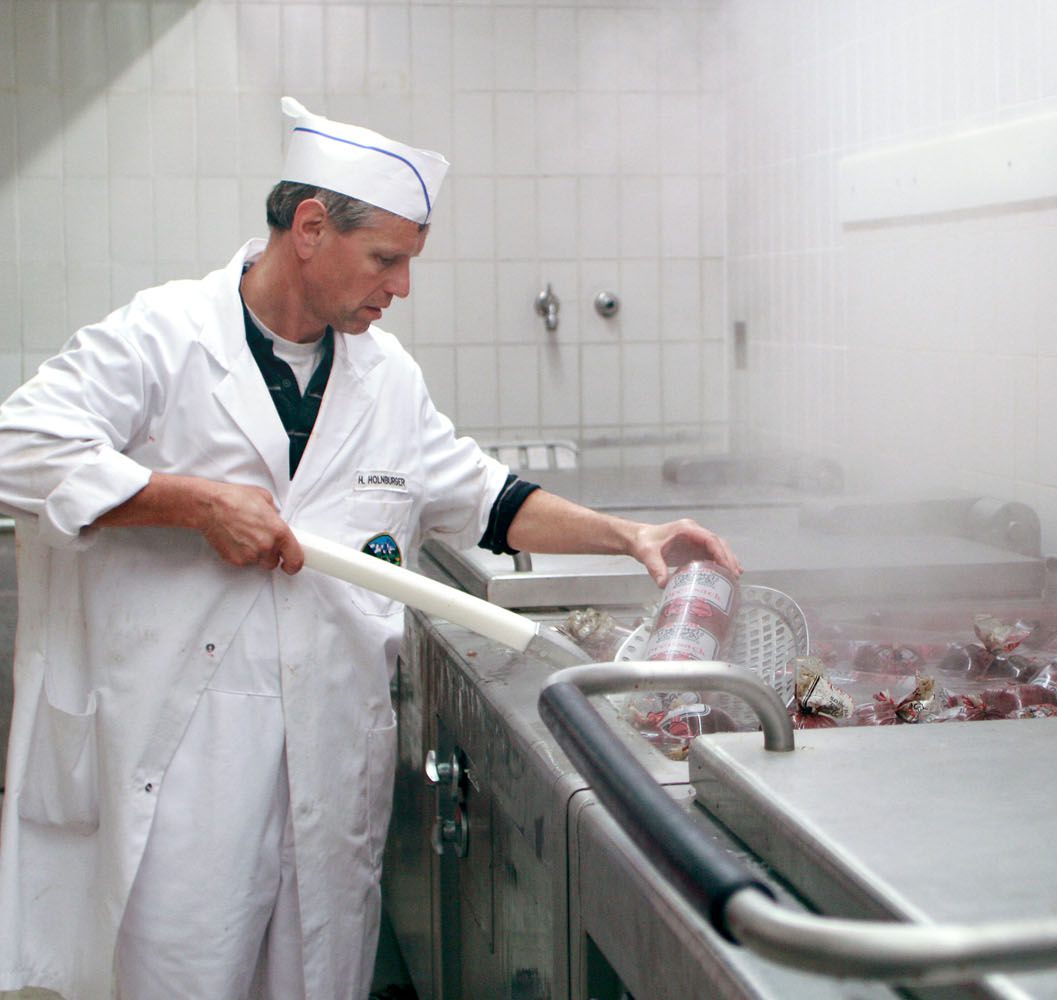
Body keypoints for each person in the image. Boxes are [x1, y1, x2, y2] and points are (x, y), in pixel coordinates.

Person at [0, 98, 741, 1000]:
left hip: (328, 750)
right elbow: (18, 448)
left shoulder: (384, 375)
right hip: (189, 758)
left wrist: (630, 536)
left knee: (319, 979)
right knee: (183, 977)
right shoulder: (164, 337)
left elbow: (484, 497)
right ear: (311, 228)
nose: (402, 287)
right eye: (386, 259)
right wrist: (191, 503)